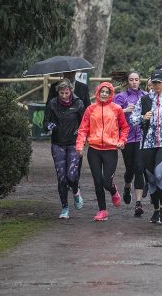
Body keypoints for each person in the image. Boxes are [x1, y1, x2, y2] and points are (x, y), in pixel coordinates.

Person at [130, 70, 162, 225]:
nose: (157, 85)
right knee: (151, 178)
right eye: (154, 82)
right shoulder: (144, 99)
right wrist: (142, 118)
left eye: (160, 82)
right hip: (147, 143)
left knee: (159, 175)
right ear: (150, 83)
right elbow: (133, 119)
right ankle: (156, 209)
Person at [76, 82, 129, 221]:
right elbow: (83, 129)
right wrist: (80, 146)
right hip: (94, 150)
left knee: (106, 182)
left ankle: (113, 190)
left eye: (107, 92)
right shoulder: (90, 109)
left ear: (111, 93)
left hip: (111, 150)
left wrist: (122, 141)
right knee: (97, 181)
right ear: (98, 93)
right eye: (102, 91)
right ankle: (102, 210)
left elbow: (124, 128)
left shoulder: (117, 109)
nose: (104, 94)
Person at [43, 79, 86, 219]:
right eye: (61, 93)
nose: (64, 96)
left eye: (66, 93)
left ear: (71, 91)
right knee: (61, 178)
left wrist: (80, 135)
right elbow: (45, 122)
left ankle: (75, 191)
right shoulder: (53, 103)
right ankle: (65, 208)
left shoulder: (78, 103)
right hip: (57, 143)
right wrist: (50, 126)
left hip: (73, 143)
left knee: (71, 176)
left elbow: (85, 123)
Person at [113, 71, 147, 216]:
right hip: (126, 138)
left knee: (139, 167)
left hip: (140, 136)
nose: (134, 82)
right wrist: (124, 110)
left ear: (140, 81)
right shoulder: (121, 97)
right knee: (130, 169)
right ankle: (127, 186)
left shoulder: (145, 96)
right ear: (127, 81)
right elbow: (112, 113)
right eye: (131, 80)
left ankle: (138, 203)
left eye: (136, 80)